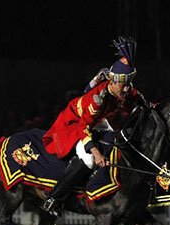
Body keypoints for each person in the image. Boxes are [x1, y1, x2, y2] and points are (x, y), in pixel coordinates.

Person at [40, 36, 147, 214]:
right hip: (75, 123)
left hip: (96, 120)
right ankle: (53, 199)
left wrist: (151, 108)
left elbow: (136, 96)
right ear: (112, 82)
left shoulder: (122, 86)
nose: (127, 90)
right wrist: (96, 153)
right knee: (89, 160)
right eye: (124, 86)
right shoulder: (96, 100)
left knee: (116, 144)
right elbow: (83, 127)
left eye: (129, 85)